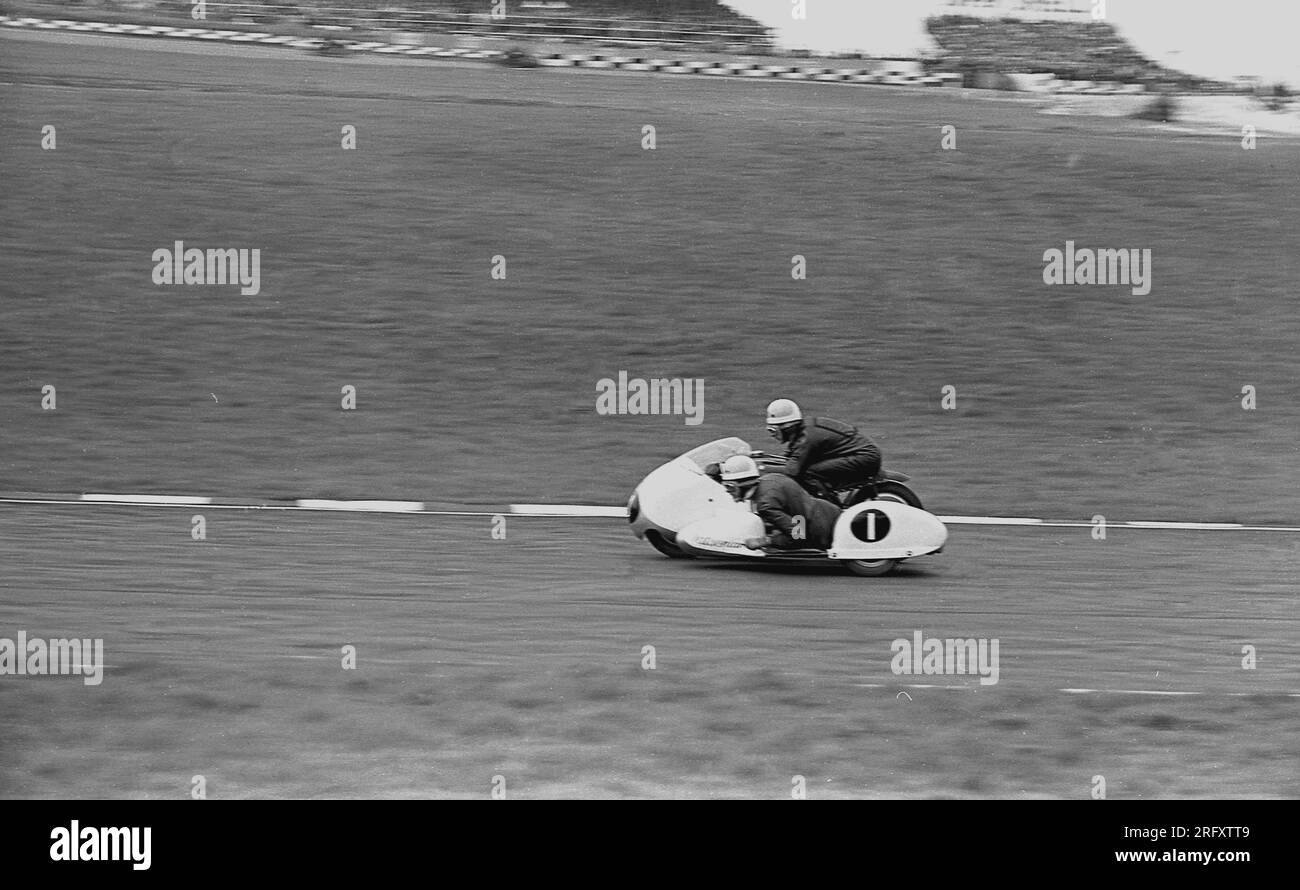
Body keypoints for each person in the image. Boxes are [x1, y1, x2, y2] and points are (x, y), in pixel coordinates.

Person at [764, 399, 881, 500]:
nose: (771, 434)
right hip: (857, 454)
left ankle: (827, 508)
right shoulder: (802, 432)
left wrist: (762, 468)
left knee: (808, 473)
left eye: (773, 430)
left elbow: (792, 471)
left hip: (865, 457)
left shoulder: (806, 437)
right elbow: (789, 458)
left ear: (787, 427)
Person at [718, 455, 840, 551]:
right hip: (830, 512)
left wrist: (764, 541)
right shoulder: (772, 478)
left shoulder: (765, 505)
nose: (727, 491)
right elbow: (794, 513)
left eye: (730, 486)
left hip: (823, 533)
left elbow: (798, 535)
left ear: (744, 485)